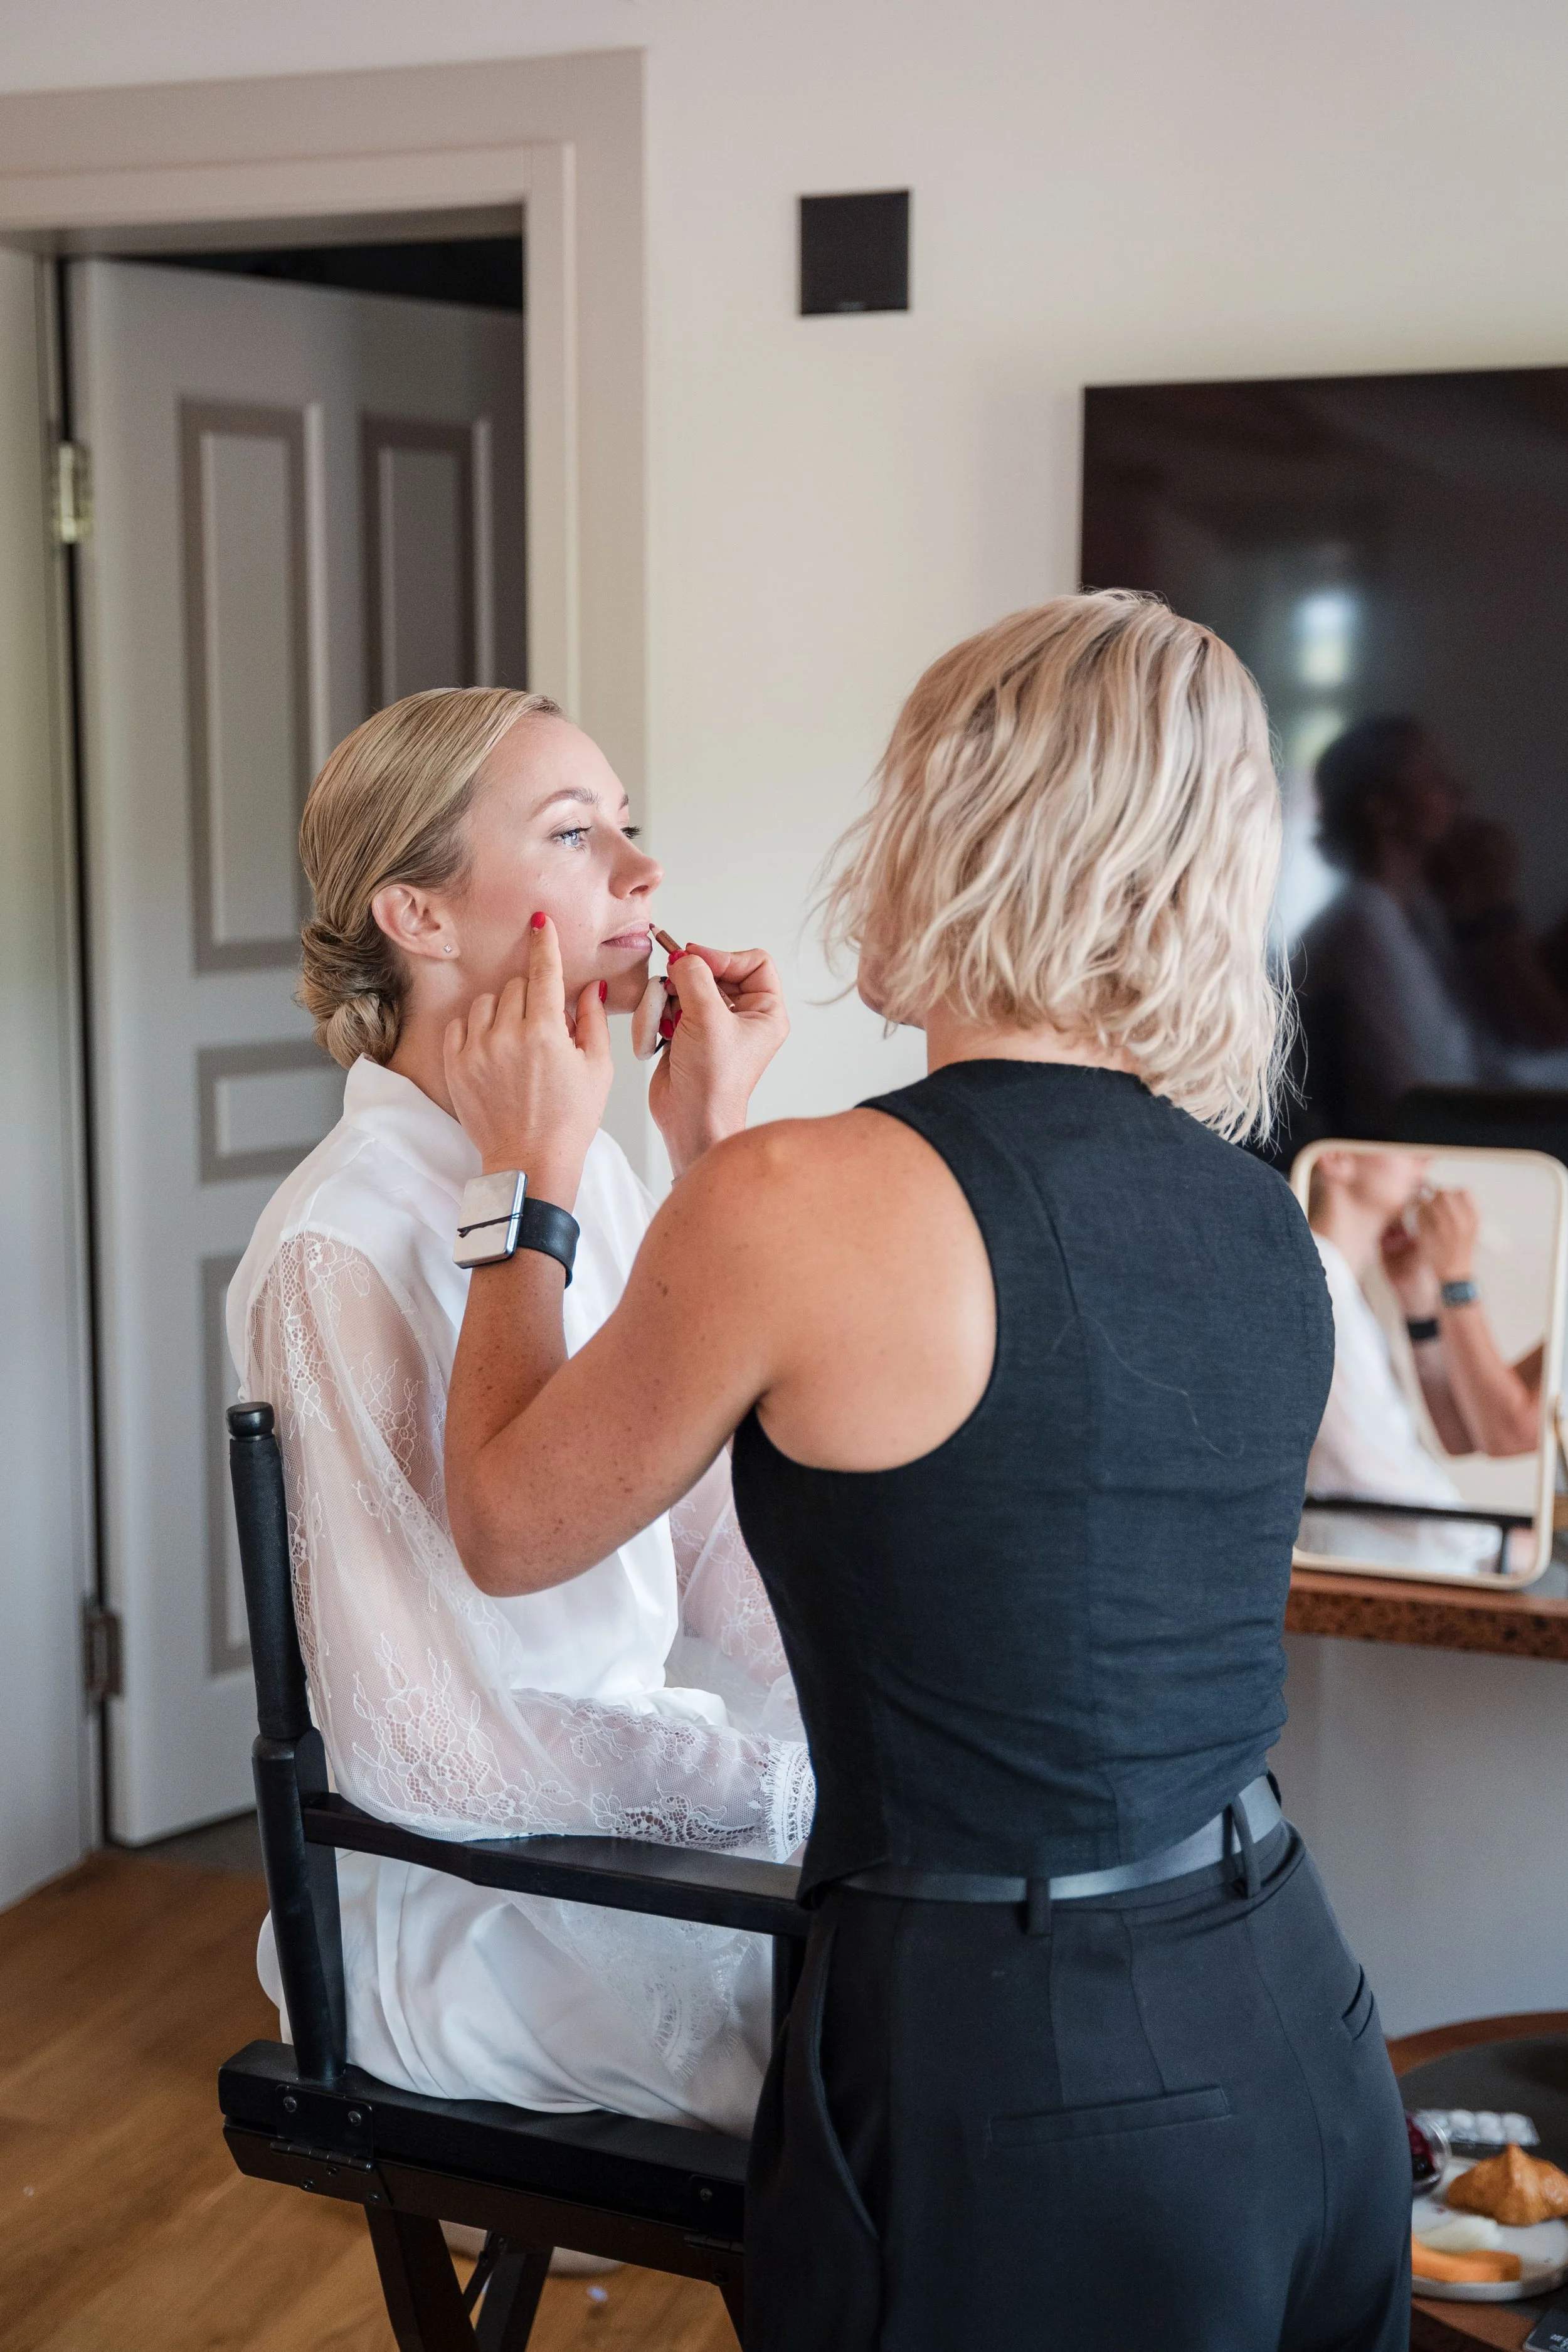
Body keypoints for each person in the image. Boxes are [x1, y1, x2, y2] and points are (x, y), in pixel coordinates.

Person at [438, 593, 1411, 2350]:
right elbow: (972, 1508)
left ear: (963, 829)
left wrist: (529, 1173)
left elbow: (510, 1518)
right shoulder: (1258, 1217)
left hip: (1019, 2078)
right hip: (1293, 2028)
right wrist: (712, 1154)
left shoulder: (808, 1202)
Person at [227, 686, 813, 2137]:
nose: (639, 868)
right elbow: (432, 1753)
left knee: (955, 1983)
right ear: (419, 915)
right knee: (907, 2074)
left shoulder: (592, 1172)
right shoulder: (333, 1248)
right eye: (573, 830)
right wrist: (768, 1791)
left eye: (631, 824)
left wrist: (855, 1739)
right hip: (477, 1899)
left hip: (623, 1835)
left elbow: (697, 1537)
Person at [1301, 1149, 1518, 1571]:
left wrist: (1420, 1304)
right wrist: (1491, 1546)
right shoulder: (1319, 1279)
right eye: (1399, 1143)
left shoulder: (1348, 1284)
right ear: (1338, 1159)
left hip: (1399, 1552)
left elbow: (1455, 1439)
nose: (1426, 1157)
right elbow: (1365, 1463)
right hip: (1376, 1562)